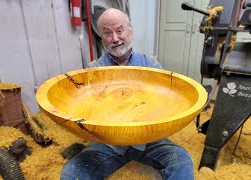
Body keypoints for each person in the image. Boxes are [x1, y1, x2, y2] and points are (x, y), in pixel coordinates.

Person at [60, 8, 194, 180]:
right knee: (71, 174)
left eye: (119, 30)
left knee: (182, 163)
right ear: (102, 38)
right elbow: (85, 109)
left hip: (149, 139)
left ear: (130, 30)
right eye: (108, 33)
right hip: (108, 142)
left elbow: (166, 104)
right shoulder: (94, 71)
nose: (115, 39)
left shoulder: (150, 66)